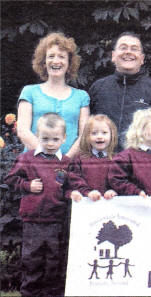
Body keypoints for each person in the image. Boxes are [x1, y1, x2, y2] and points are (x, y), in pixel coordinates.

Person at [5, 113, 71, 296]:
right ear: (37, 136)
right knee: (32, 259)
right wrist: (27, 185)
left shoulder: (66, 163)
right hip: (33, 220)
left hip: (57, 220)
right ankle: (29, 293)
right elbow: (10, 179)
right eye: (45, 139)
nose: (50, 143)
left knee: (54, 261)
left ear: (64, 138)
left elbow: (70, 187)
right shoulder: (27, 158)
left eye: (55, 139)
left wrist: (71, 193)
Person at [89, 32, 151, 151]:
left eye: (134, 49)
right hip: (103, 161)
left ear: (142, 59)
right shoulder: (98, 88)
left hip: (140, 163)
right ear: (113, 56)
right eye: (123, 48)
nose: (128, 52)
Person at [16, 32, 90, 157]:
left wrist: (65, 161)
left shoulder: (82, 97)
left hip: (69, 166)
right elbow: (23, 131)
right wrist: (47, 158)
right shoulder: (29, 92)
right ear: (44, 62)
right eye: (51, 56)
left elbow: (84, 136)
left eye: (61, 56)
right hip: (34, 164)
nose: (56, 61)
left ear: (69, 63)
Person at [108, 108, 151, 197]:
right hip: (134, 207)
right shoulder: (125, 157)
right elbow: (117, 179)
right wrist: (137, 192)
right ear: (143, 128)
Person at [67, 114, 118, 202]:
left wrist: (114, 191)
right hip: (86, 205)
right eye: (94, 133)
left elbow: (120, 180)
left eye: (104, 133)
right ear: (87, 137)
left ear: (112, 135)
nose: (99, 136)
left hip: (110, 207)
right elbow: (74, 180)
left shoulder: (117, 160)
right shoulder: (80, 159)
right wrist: (87, 192)